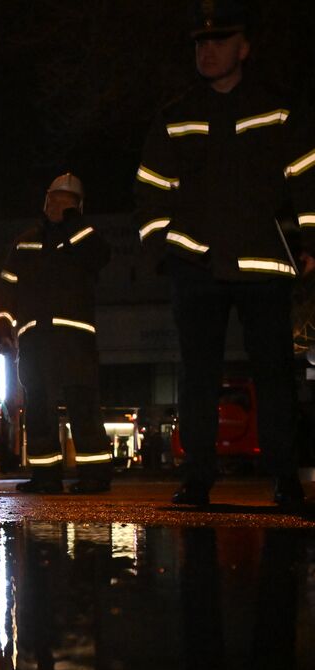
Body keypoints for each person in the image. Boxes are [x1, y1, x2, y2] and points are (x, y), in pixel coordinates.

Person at [134, 0, 315, 509]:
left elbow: (307, 178)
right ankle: (196, 479)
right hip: (197, 266)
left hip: (263, 262)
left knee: (274, 375)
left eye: (218, 41)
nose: (206, 51)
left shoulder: (280, 108)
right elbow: (149, 189)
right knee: (198, 376)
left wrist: (310, 244)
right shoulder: (174, 116)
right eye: (200, 43)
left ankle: (285, 479)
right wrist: (164, 249)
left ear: (244, 47)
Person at [0, 173, 114, 493]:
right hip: (35, 338)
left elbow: (100, 255)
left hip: (75, 338)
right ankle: (45, 476)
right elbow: (8, 287)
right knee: (38, 408)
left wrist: (73, 223)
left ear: (78, 207)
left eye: (65, 201)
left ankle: (95, 476)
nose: (56, 205)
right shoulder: (25, 241)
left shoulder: (84, 237)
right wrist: (2, 323)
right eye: (52, 199)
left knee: (83, 404)